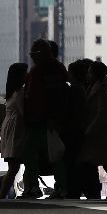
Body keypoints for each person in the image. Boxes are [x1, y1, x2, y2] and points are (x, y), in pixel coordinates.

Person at [22, 39, 69, 199]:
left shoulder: (39, 71)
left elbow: (39, 97)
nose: (33, 58)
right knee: (55, 155)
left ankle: (35, 187)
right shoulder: (58, 69)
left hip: (41, 120)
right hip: (51, 120)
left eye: (34, 55)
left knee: (32, 154)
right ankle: (61, 187)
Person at [78, 61, 107, 200]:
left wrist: (89, 129)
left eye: (90, 72)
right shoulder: (97, 88)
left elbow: (101, 113)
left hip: (99, 135)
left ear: (96, 74)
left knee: (100, 164)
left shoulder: (100, 91)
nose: (88, 75)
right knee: (106, 165)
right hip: (100, 135)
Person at [0, 63, 29, 199]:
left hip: (10, 131)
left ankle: (1, 195)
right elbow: (25, 114)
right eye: (25, 73)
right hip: (18, 131)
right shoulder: (20, 93)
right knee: (23, 164)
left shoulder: (11, 93)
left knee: (14, 167)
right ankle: (3, 194)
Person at [64, 59, 91, 199]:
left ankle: (73, 190)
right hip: (80, 131)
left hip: (73, 132)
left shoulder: (74, 89)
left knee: (72, 163)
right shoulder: (82, 89)